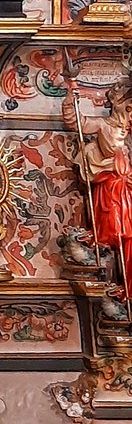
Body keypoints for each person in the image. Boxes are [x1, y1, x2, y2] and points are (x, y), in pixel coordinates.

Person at [73, 81, 132, 298]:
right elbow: (78, 122)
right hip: (112, 189)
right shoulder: (103, 125)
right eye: (128, 106)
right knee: (119, 233)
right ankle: (123, 286)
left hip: (126, 188)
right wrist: (71, 97)